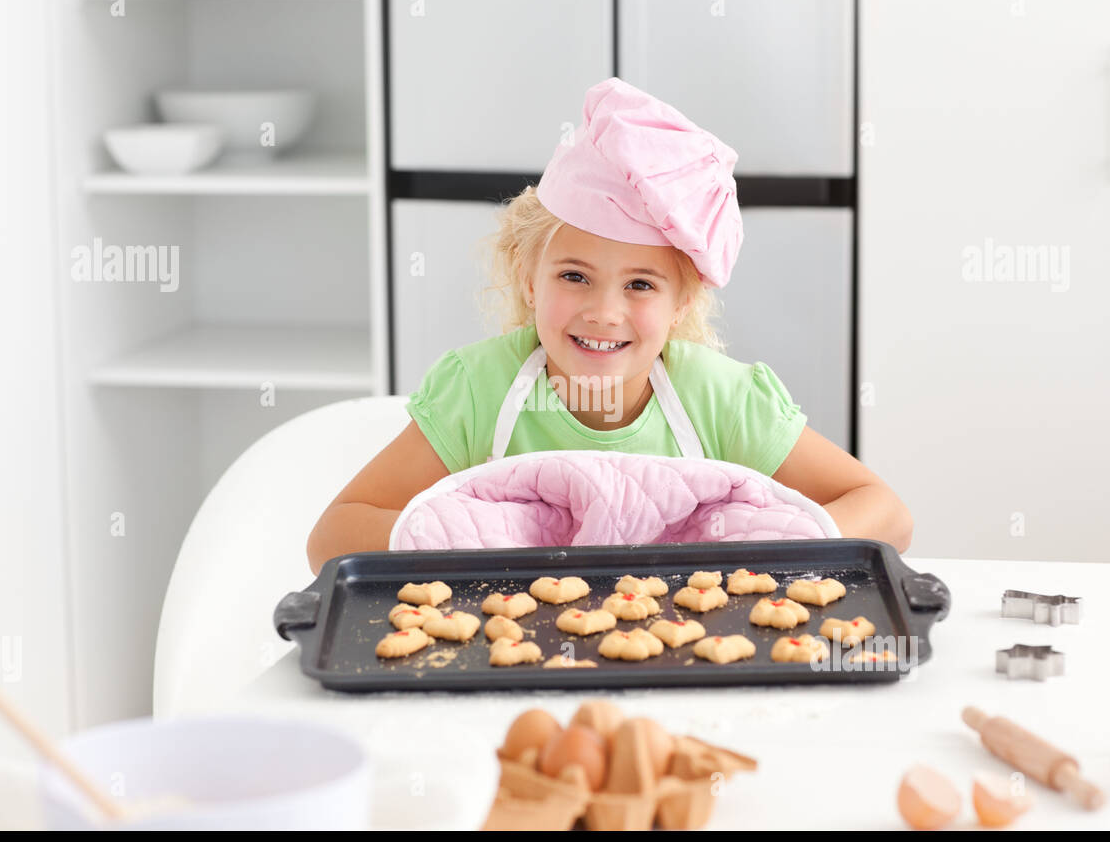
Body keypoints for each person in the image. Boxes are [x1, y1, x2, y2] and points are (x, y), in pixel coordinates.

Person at [307, 77, 912, 573]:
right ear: (527, 275)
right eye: (574, 276)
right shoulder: (478, 392)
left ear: (682, 302)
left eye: (641, 285)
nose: (604, 312)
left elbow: (887, 512)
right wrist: (485, 541)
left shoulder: (721, 400)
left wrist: (761, 545)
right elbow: (331, 537)